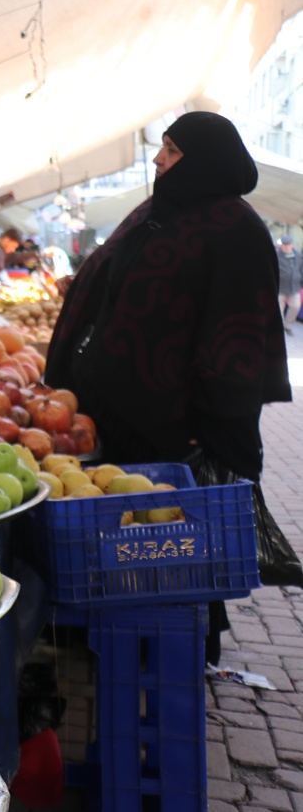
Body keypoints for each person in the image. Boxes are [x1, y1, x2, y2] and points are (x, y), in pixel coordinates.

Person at [45, 111, 294, 661]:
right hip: (118, 411)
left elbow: (238, 337)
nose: (159, 159)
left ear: (206, 160)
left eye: (174, 151)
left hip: (176, 421)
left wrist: (206, 428)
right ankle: (115, 634)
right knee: (125, 534)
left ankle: (180, 644)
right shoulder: (155, 211)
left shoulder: (236, 228)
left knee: (176, 540)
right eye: (163, 148)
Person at [278, 235, 301, 334]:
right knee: (279, 308)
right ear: (281, 245)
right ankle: (278, 325)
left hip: (294, 286)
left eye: (288, 245)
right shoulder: (276, 255)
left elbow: (301, 269)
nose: (287, 247)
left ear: (292, 245)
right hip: (280, 287)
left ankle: (287, 325)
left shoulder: (298, 255)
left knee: (296, 306)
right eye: (284, 245)